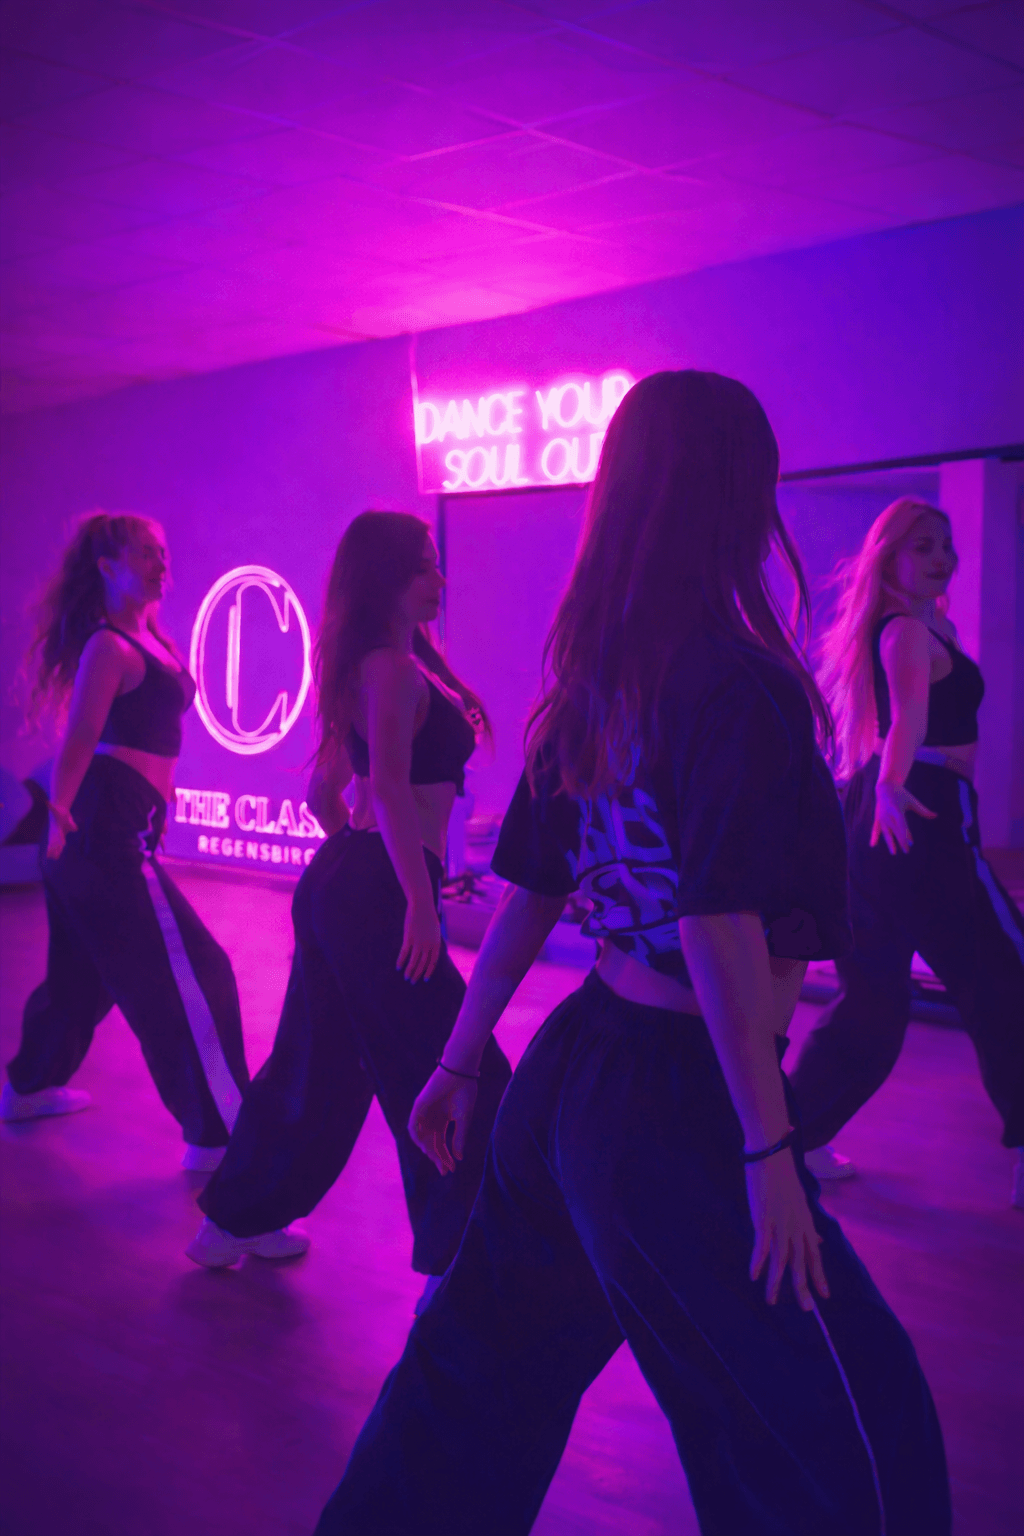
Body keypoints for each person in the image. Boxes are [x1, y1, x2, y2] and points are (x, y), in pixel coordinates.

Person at [313, 374, 950, 1536]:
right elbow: (715, 924)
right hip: (680, 1091)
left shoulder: (594, 678)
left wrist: (459, 1061)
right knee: (853, 1430)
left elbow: (532, 891)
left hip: (572, 1073)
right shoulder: (742, 686)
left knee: (471, 1380)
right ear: (739, 494)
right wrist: (767, 1147)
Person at [187, 512, 512, 1280]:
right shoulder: (391, 670)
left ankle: (231, 1223)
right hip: (380, 890)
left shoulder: (381, 666)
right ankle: (461, 1261)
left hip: (348, 881)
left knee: (316, 1067)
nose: (439, 579)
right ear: (387, 578)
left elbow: (323, 795)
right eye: (424, 567)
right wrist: (413, 900)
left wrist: (354, 873)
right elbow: (390, 790)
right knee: (451, 1068)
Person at [789, 498, 1024, 1206]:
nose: (941, 558)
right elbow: (909, 719)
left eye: (945, 544)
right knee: (1003, 973)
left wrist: (884, 789)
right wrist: (893, 786)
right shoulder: (909, 634)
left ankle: (792, 1143)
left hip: (882, 813)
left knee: (873, 997)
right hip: (920, 807)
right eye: (922, 546)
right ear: (888, 557)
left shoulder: (916, 626)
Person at [1, 513, 249, 1171]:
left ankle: (26, 1088)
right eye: (143, 553)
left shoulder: (150, 637)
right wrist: (59, 815)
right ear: (107, 567)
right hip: (103, 829)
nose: (160, 562)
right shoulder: (108, 647)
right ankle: (217, 1136)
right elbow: (81, 736)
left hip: (117, 823)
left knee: (80, 979)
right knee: (198, 971)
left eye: (162, 551)